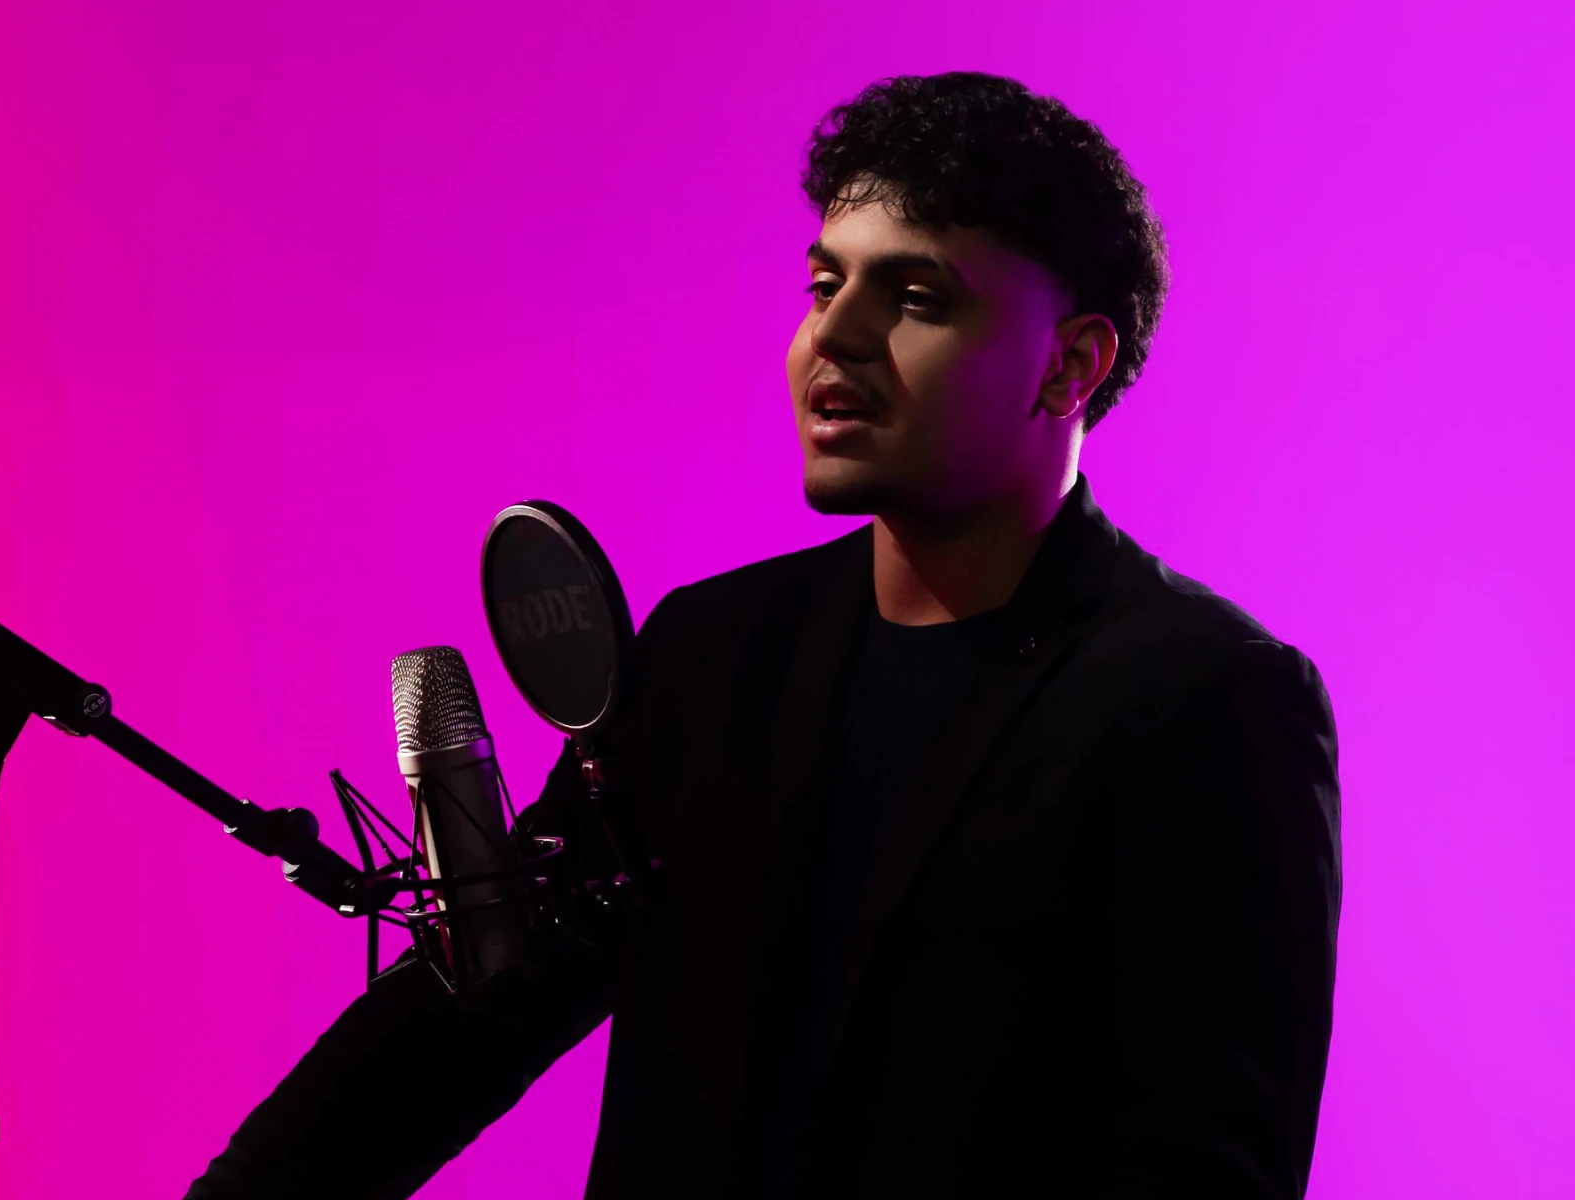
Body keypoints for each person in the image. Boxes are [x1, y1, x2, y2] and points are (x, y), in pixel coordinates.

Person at [184, 72, 1340, 1199]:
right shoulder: (707, 655)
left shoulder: (1207, 697)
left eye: (916, 298)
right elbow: (467, 1018)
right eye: (825, 284)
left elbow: (1202, 1167)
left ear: (1068, 364)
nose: (835, 336)